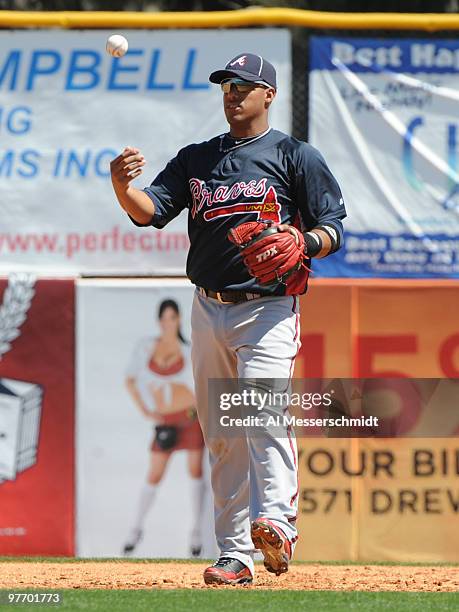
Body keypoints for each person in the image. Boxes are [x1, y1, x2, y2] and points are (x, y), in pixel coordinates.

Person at [110, 52, 347, 585]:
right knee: (221, 433)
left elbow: (334, 227)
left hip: (268, 308)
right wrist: (122, 188)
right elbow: (150, 210)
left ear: (268, 94)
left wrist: (303, 240)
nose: (232, 93)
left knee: (261, 416)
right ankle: (235, 554)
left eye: (243, 85)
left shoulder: (295, 155)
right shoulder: (198, 158)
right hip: (207, 305)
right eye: (225, 85)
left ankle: (279, 524)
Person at [122, 299, 205, 558]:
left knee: (195, 470)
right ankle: (136, 528)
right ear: (159, 320)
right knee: (154, 473)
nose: (168, 322)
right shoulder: (146, 347)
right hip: (165, 420)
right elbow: (130, 379)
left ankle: (196, 531)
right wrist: (146, 411)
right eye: (164, 318)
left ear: (178, 319)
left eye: (172, 317)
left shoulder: (187, 348)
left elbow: (197, 387)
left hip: (189, 417)